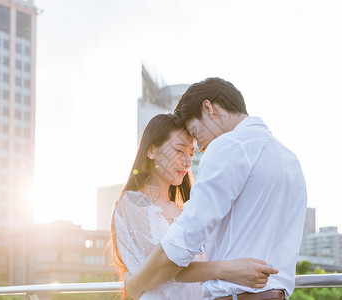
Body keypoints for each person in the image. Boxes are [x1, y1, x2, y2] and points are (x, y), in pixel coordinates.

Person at [125, 78, 307, 300]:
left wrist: (135, 284)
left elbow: (182, 243)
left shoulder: (230, 145)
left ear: (208, 108)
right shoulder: (290, 159)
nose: (200, 147)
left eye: (195, 132)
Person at [110, 113, 279, 300]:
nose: (187, 161)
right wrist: (231, 269)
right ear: (151, 151)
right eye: (179, 150)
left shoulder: (185, 211)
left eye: (191, 154)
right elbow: (162, 267)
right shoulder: (132, 202)